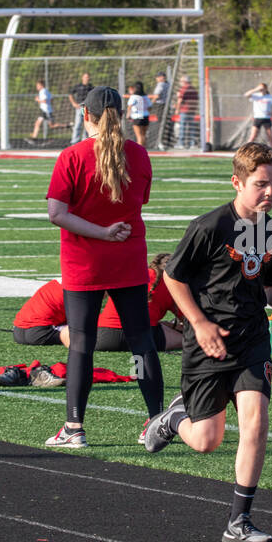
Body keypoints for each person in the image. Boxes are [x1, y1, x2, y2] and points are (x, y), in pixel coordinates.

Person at [142, 142, 272, 542]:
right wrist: (198, 323)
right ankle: (172, 419)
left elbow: (269, 285)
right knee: (206, 441)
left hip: (251, 339)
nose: (270, 193)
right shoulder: (209, 226)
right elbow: (172, 277)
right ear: (237, 182)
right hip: (209, 343)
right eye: (261, 184)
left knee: (256, 422)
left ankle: (239, 521)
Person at [44, 85, 164, 447]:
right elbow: (139, 200)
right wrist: (112, 230)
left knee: (81, 342)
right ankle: (157, 421)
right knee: (142, 341)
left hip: (85, 262)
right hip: (128, 258)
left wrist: (100, 231)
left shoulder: (72, 155)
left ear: (86, 116)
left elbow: (56, 214)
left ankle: (74, 428)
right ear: (124, 117)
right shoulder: (140, 155)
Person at [11, 254, 184, 355]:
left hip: (20, 329)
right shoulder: (168, 284)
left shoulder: (71, 281)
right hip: (39, 330)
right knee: (189, 340)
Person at [244, 82, 272, 148]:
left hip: (266, 118)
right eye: (260, 88)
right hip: (257, 118)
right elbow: (246, 95)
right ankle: (245, 149)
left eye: (262, 88)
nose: (261, 90)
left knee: (270, 136)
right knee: (253, 136)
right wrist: (256, 89)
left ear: (266, 89)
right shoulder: (256, 95)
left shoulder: (270, 97)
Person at [175, 75, 199, 149]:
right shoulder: (193, 89)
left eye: (181, 81)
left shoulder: (184, 88)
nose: (180, 83)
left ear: (184, 81)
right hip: (192, 110)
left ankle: (181, 143)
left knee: (182, 127)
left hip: (184, 110)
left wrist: (177, 109)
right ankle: (192, 143)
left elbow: (180, 100)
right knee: (191, 128)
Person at [26, 78, 53, 145]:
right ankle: (34, 138)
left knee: (52, 125)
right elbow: (51, 99)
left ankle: (68, 125)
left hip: (46, 111)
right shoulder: (46, 91)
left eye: (37, 86)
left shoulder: (43, 91)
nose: (37, 87)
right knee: (37, 123)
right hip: (45, 110)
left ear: (41, 85)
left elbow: (44, 101)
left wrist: (38, 100)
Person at [68, 71, 92, 145]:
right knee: (78, 124)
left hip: (87, 107)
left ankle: (85, 140)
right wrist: (74, 103)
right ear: (82, 78)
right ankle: (74, 141)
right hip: (80, 107)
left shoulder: (91, 87)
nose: (86, 78)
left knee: (87, 124)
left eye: (88, 77)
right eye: (85, 77)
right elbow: (70, 94)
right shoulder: (78, 86)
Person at [126, 81, 151, 146]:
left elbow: (129, 107)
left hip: (137, 117)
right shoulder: (145, 97)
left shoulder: (133, 96)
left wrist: (128, 115)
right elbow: (150, 107)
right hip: (145, 116)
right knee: (143, 135)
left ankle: (140, 152)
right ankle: (144, 151)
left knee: (139, 136)